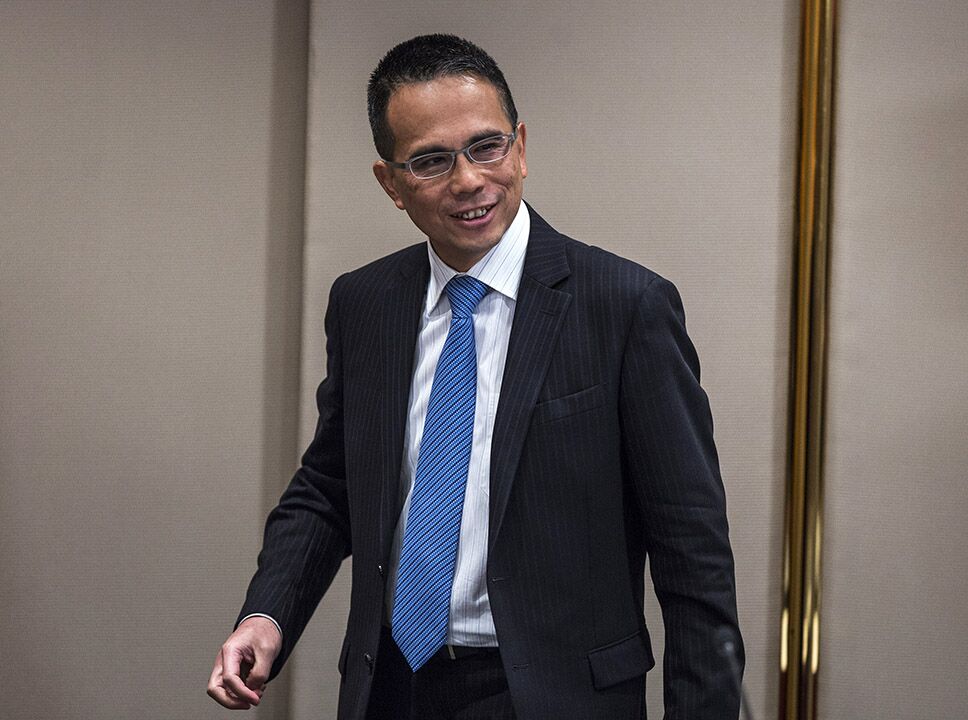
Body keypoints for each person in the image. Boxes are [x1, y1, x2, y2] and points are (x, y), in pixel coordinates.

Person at [207, 34, 742, 720]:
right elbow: (331, 484)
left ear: (520, 148)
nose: (467, 180)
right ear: (391, 184)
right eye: (431, 160)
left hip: (554, 697)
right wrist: (267, 615)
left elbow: (693, 553)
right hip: (391, 688)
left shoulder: (624, 306)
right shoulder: (365, 304)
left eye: (486, 147)